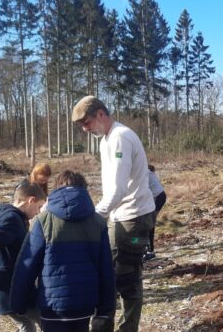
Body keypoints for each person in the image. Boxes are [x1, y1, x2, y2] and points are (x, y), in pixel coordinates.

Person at [72, 95, 155, 332]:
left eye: (86, 123)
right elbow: (113, 186)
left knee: (120, 278)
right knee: (124, 272)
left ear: (100, 114)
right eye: (82, 126)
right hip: (123, 216)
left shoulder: (120, 137)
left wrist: (94, 217)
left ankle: (121, 328)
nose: (85, 129)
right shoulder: (106, 139)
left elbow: (118, 190)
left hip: (133, 220)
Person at [10, 170, 115, 332]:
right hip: (84, 303)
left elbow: (27, 266)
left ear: (56, 189)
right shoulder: (98, 222)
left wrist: (18, 303)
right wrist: (105, 309)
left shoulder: (43, 221)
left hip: (52, 305)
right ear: (84, 189)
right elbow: (106, 269)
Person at [0, 183, 47, 332]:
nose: (38, 212)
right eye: (39, 207)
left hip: (4, 287)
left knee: (27, 325)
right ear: (30, 200)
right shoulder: (13, 219)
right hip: (11, 287)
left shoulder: (2, 214)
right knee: (46, 320)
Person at [144, 165, 167, 261]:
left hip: (158, 198)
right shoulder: (146, 170)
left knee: (149, 224)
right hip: (158, 197)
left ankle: (150, 252)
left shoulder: (144, 173)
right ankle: (147, 249)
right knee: (148, 223)